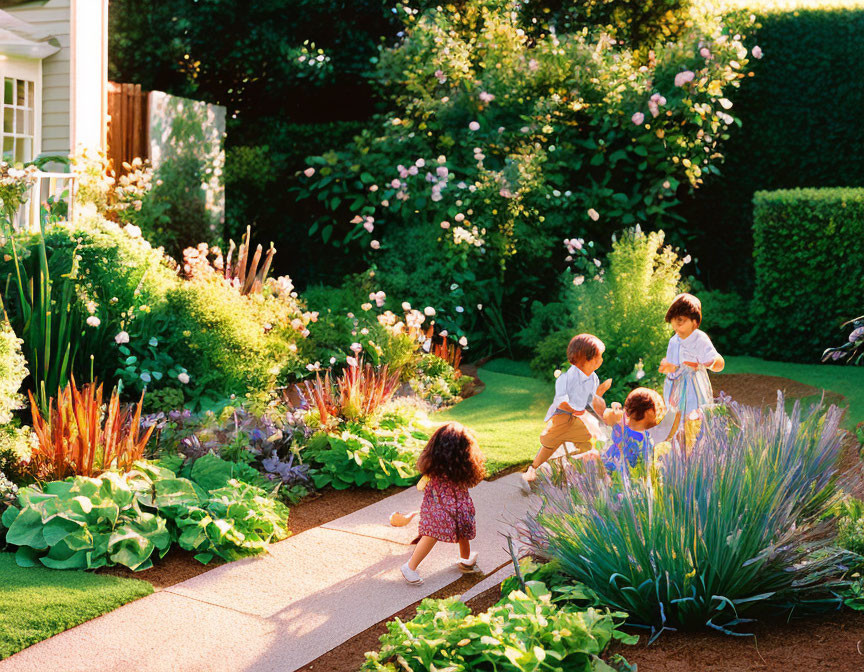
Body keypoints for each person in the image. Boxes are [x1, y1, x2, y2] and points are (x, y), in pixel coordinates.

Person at [522, 333, 618, 488]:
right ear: (584, 360)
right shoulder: (566, 379)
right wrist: (577, 409)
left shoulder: (593, 378)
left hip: (580, 417)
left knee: (591, 439)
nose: (601, 360)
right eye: (598, 357)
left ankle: (593, 473)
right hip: (563, 417)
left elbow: (590, 401)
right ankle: (532, 470)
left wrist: (599, 399)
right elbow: (562, 401)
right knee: (550, 444)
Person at [400, 422, 487, 585]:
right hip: (441, 510)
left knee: (462, 531)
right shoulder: (455, 468)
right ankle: (409, 567)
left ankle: (466, 559)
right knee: (431, 535)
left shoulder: (439, 464)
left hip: (452, 508)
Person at [658, 293, 724, 448]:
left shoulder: (699, 339)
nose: (676, 328)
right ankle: (679, 456)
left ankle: (696, 452)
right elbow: (673, 366)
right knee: (676, 424)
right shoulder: (674, 341)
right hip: (676, 387)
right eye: (673, 323)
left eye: (680, 322)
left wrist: (710, 363)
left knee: (694, 421)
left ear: (695, 321)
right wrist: (669, 368)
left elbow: (719, 362)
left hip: (694, 387)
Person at [602, 387, 680, 472]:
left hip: (611, 469)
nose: (658, 416)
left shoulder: (621, 429)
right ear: (649, 412)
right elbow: (667, 431)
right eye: (657, 410)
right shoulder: (647, 437)